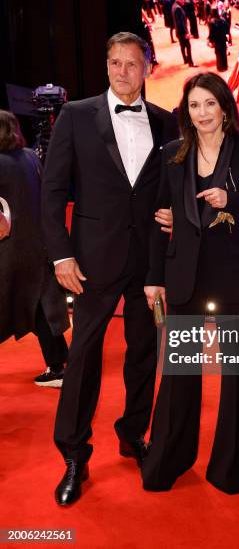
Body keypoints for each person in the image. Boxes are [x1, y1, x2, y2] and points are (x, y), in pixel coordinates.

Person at [41, 32, 178, 506]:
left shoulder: (166, 122)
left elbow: (171, 189)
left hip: (149, 264)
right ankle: (74, 454)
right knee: (83, 358)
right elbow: (52, 190)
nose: (122, 71)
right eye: (115, 63)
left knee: (144, 351)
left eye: (132, 64)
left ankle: (132, 432)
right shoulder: (77, 116)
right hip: (91, 261)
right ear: (106, 66)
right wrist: (61, 255)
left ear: (147, 68)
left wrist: (178, 213)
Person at [142, 72, 239, 494]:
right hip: (182, 277)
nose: (202, 114)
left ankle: (235, 468)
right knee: (179, 374)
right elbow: (158, 221)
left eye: (210, 104)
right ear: (187, 111)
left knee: (236, 376)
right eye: (194, 106)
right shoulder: (171, 154)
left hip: (232, 276)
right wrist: (154, 279)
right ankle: (169, 460)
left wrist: (230, 202)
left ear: (225, 108)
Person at [0, 110, 70, 386]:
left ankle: (58, 367)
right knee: (41, 307)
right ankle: (58, 367)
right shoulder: (30, 156)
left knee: (17, 305)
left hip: (9, 249)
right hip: (38, 245)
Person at [172, 0, 196, 67]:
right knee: (188, 46)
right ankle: (190, 63)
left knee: (182, 46)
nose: (183, 0)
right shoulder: (178, 8)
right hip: (182, 32)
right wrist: (186, 33)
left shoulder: (174, 6)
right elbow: (180, 23)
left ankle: (185, 60)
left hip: (179, 32)